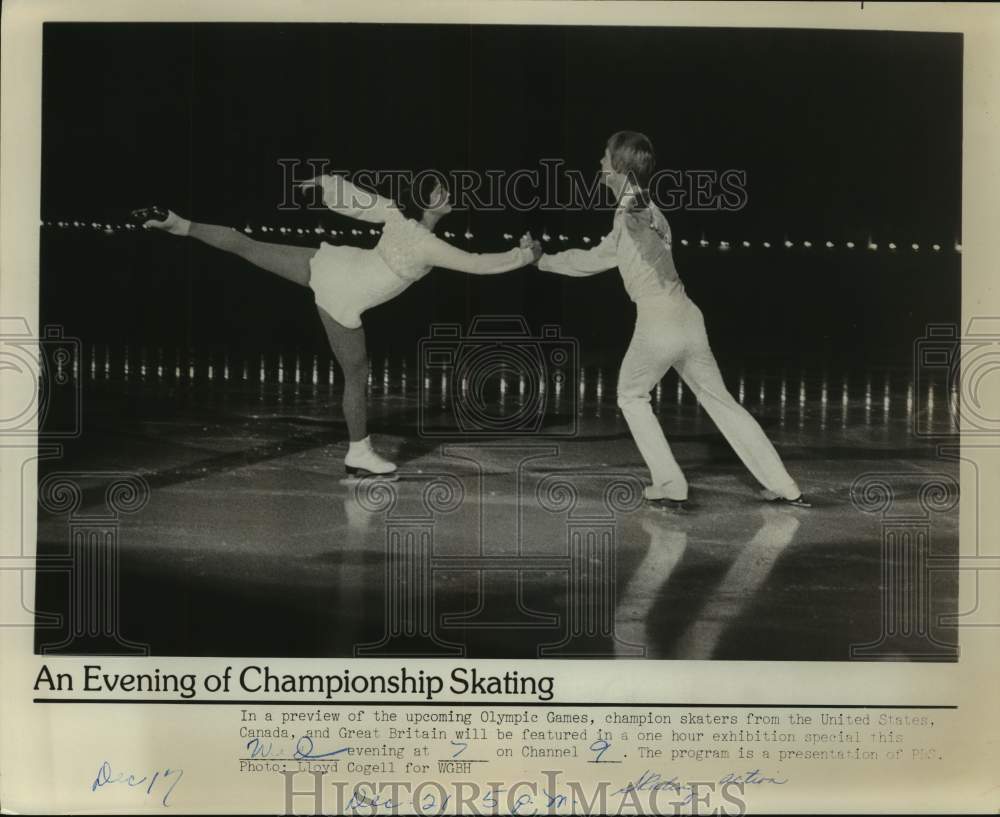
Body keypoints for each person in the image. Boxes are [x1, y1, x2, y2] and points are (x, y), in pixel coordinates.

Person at [139, 172, 541, 478]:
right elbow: (475, 264)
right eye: (440, 194)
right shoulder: (426, 243)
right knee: (357, 372)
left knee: (248, 245)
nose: (448, 195)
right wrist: (524, 256)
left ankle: (176, 223)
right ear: (426, 204)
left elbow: (360, 202)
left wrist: (326, 181)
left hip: (330, 265)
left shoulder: (397, 216)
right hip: (345, 292)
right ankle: (358, 451)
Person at [537, 131, 809, 510]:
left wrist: (630, 193)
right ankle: (784, 485)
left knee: (631, 395)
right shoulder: (635, 219)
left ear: (618, 166)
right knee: (721, 400)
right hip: (687, 318)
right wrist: (541, 261)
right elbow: (592, 259)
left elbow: (638, 210)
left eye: (604, 158)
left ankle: (670, 484)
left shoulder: (636, 210)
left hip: (658, 320)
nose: (599, 164)